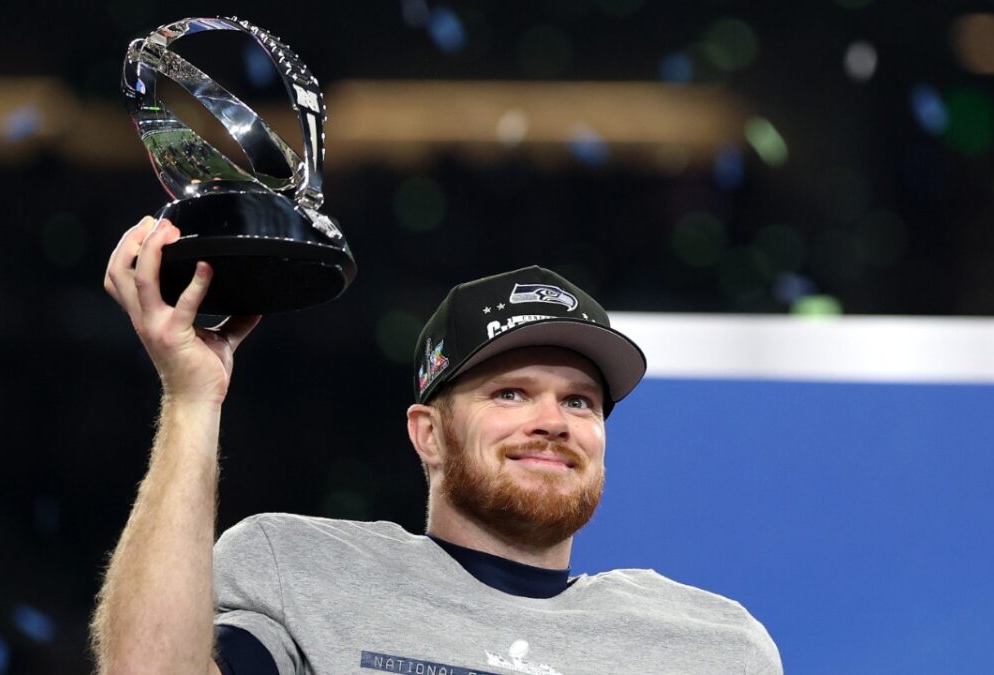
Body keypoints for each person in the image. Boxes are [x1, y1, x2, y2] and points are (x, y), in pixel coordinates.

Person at [90, 216, 783, 675]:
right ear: (428, 433)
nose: (553, 419)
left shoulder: (716, 647)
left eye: (580, 400)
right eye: (510, 393)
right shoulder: (301, 574)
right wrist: (190, 399)